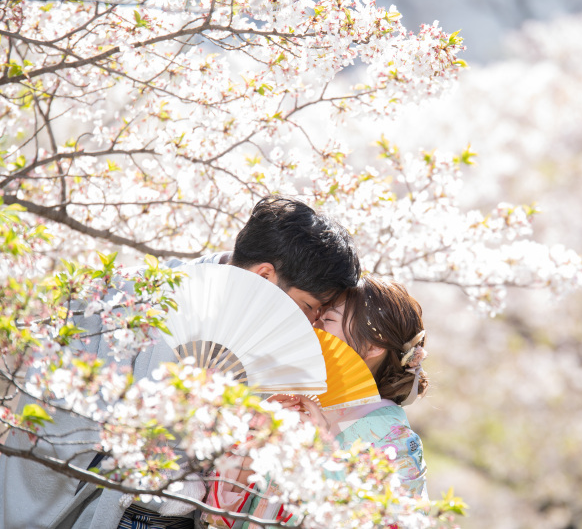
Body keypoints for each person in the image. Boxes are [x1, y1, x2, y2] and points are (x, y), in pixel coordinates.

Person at [0, 195, 360, 529]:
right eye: (308, 307)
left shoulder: (272, 344)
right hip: (105, 509)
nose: (309, 325)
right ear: (264, 276)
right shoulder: (129, 296)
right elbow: (50, 409)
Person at [227, 275, 429, 527]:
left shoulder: (395, 441)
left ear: (373, 346)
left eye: (329, 320)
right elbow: (223, 515)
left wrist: (321, 454)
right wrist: (253, 444)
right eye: (316, 316)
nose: (313, 326)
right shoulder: (296, 403)